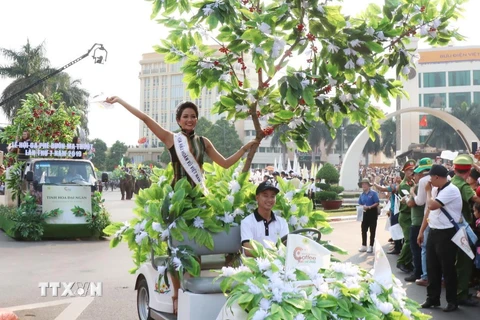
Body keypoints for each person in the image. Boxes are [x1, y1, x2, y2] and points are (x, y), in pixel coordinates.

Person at [105, 96, 259, 314]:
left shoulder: (204, 142)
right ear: (178, 120)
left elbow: (224, 163)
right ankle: (178, 295)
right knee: (177, 251)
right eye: (185, 116)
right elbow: (145, 118)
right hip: (177, 203)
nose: (190, 119)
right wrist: (120, 101)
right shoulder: (171, 139)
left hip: (200, 201)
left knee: (196, 249)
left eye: (193, 116)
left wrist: (244, 149)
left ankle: (193, 295)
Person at [418, 164, 462, 312]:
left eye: (431, 177)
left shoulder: (451, 190)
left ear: (437, 177)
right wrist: (421, 231)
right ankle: (433, 298)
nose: (429, 180)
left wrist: (429, 192)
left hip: (446, 233)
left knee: (447, 268)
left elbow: (432, 205)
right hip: (434, 231)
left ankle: (452, 301)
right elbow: (428, 213)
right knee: (432, 267)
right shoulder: (437, 189)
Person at [450, 154, 480, 306]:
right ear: (468, 172)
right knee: (464, 263)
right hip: (463, 227)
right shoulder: (463, 186)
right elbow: (476, 200)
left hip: (452, 227)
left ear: (455, 169)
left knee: (456, 262)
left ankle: (455, 291)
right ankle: (461, 294)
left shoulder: (451, 182)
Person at [241, 180, 289, 256]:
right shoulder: (247, 222)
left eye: (272, 196)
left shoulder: (282, 222)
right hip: (254, 265)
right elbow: (248, 250)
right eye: (265, 196)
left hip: (277, 265)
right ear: (257, 198)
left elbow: (286, 246)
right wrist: (271, 255)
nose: (269, 200)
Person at [406, 158, 432, 283]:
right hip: (435, 220)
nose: (414, 176)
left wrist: (412, 193)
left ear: (421, 173)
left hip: (422, 220)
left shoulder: (422, 182)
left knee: (421, 249)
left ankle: (422, 274)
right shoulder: (444, 179)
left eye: (415, 174)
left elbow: (417, 202)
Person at [396, 160, 416, 274]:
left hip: (410, 215)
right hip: (405, 215)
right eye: (409, 170)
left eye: (413, 170)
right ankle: (401, 261)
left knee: (411, 241)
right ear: (404, 171)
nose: (411, 172)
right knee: (409, 240)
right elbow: (409, 199)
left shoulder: (412, 183)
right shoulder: (404, 185)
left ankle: (407, 262)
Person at [357, 178, 379, 253]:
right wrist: (362, 206)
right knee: (363, 229)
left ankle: (371, 246)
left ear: (368, 185)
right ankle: (364, 245)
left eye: (365, 184)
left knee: (372, 230)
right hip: (365, 213)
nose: (364, 185)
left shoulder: (373, 193)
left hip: (372, 212)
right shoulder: (362, 195)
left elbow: (377, 202)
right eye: (362, 184)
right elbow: (359, 203)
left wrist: (369, 207)